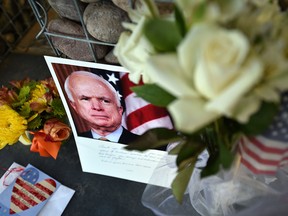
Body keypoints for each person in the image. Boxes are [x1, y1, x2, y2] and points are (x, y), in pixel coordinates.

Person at [64, 71, 138, 144]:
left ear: (120, 109)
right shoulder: (72, 143)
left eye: (105, 101)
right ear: (74, 106)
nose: (97, 107)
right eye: (86, 99)